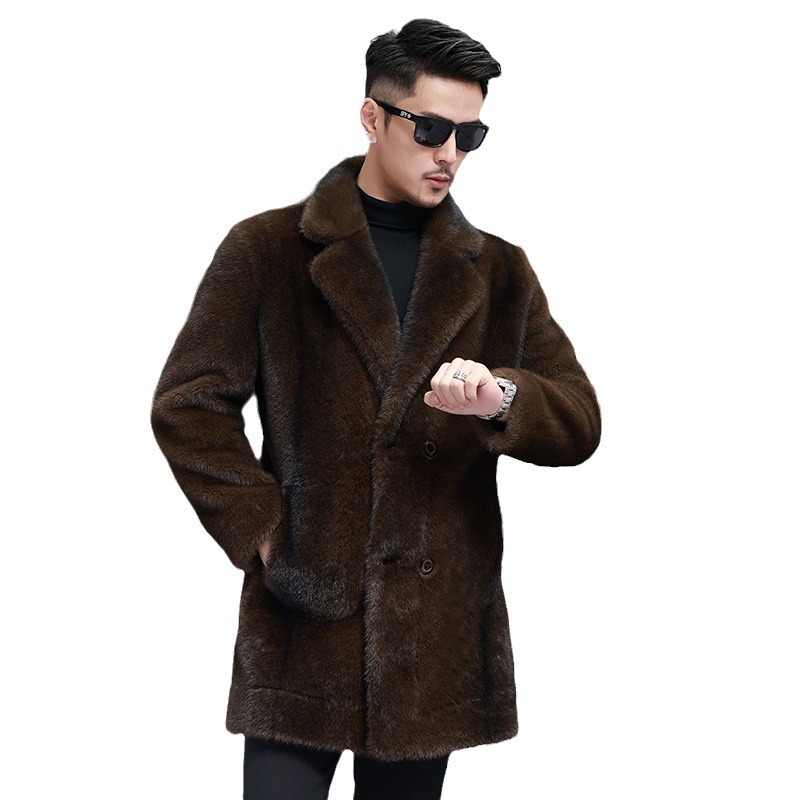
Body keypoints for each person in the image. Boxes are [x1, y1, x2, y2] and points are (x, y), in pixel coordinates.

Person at [151, 18, 601, 800]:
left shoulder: (498, 271)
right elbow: (189, 404)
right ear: (372, 116)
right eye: (430, 129)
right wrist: (266, 531)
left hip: (431, 631)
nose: (449, 153)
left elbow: (580, 419)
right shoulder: (267, 249)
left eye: (470, 135)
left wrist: (502, 397)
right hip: (305, 615)